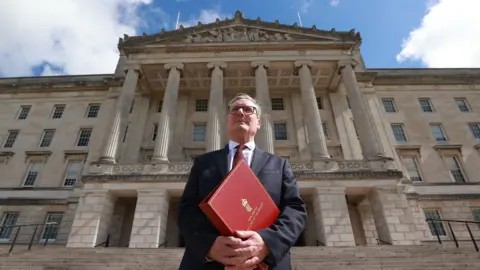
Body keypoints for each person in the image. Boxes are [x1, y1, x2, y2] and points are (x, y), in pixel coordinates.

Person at [177, 93, 307, 270]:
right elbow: (187, 209)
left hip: (265, 263)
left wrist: (266, 242)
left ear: (259, 122)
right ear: (227, 121)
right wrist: (208, 245)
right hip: (208, 264)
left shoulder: (280, 164)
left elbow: (295, 210)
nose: (240, 112)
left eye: (248, 109)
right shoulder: (203, 163)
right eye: (234, 110)